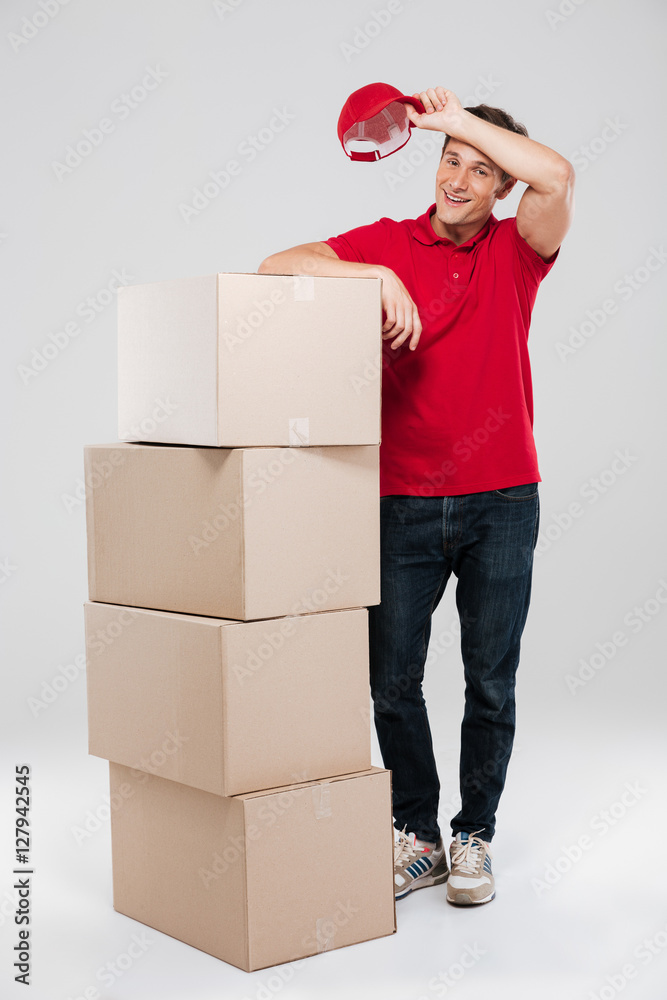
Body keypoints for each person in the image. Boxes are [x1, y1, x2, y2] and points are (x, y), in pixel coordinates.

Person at [258, 86, 575, 907]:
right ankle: (419, 837)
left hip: (501, 500)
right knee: (391, 683)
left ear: (501, 185)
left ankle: (474, 838)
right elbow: (274, 268)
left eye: (479, 168)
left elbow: (557, 176)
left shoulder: (517, 249)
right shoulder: (388, 242)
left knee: (488, 682)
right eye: (447, 161)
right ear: (430, 168)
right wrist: (370, 274)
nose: (459, 179)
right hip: (396, 498)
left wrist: (455, 120)